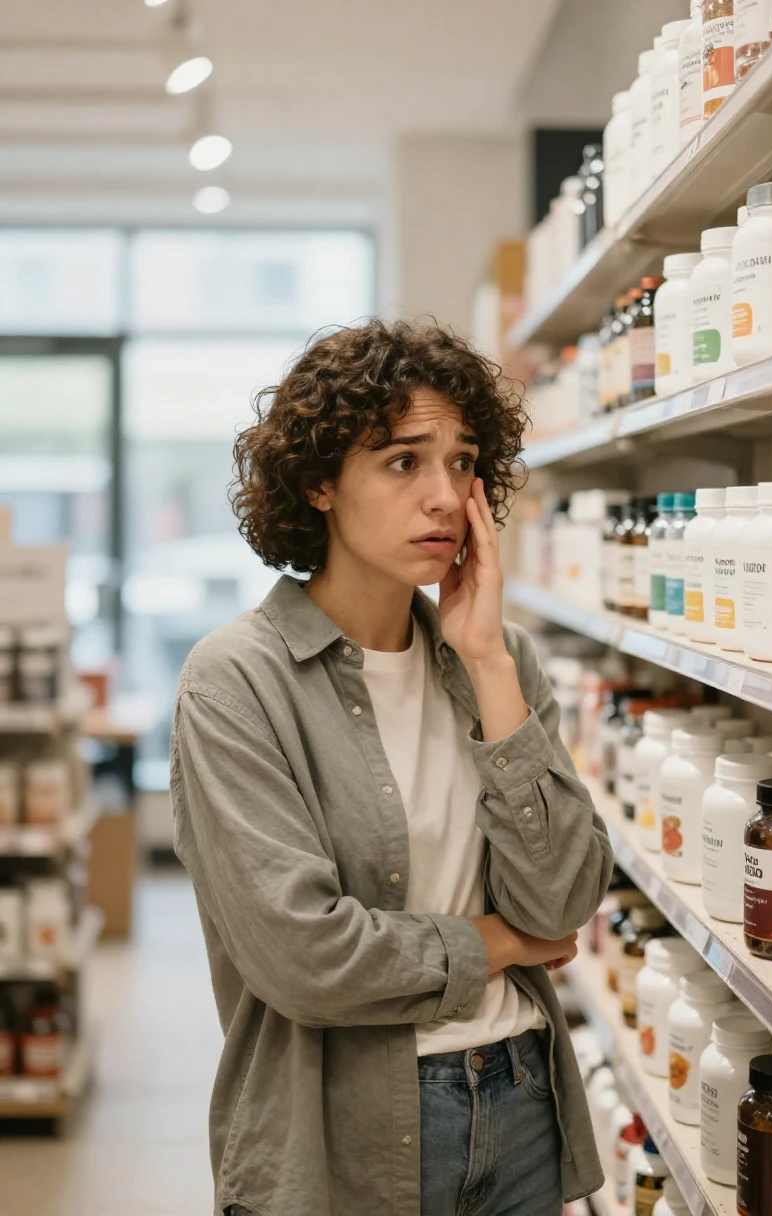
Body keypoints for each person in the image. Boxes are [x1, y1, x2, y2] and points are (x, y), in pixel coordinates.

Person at [171, 319, 613, 1216]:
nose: (447, 497)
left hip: (522, 1101)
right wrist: (499, 943)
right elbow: (303, 956)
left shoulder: (501, 660)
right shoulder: (237, 681)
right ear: (320, 483)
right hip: (344, 1136)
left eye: (464, 461)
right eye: (405, 461)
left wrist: (486, 661)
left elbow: (564, 899)